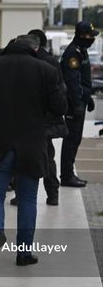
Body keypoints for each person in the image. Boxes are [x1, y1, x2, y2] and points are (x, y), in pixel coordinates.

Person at [0, 35, 66, 269]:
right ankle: (24, 254)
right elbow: (60, 107)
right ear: (33, 49)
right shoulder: (46, 70)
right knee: (27, 198)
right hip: (32, 142)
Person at [9, 29, 68, 207]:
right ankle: (52, 194)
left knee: (22, 157)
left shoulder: (27, 61)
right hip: (46, 121)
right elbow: (60, 91)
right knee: (48, 157)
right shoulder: (51, 62)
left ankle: (21, 195)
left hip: (28, 120)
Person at [60, 21, 99, 188]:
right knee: (71, 139)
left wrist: (87, 97)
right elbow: (72, 81)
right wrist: (77, 103)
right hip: (73, 103)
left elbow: (82, 80)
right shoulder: (73, 53)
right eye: (90, 36)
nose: (92, 39)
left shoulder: (81, 51)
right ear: (82, 36)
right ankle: (67, 176)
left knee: (75, 139)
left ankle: (69, 174)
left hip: (80, 100)